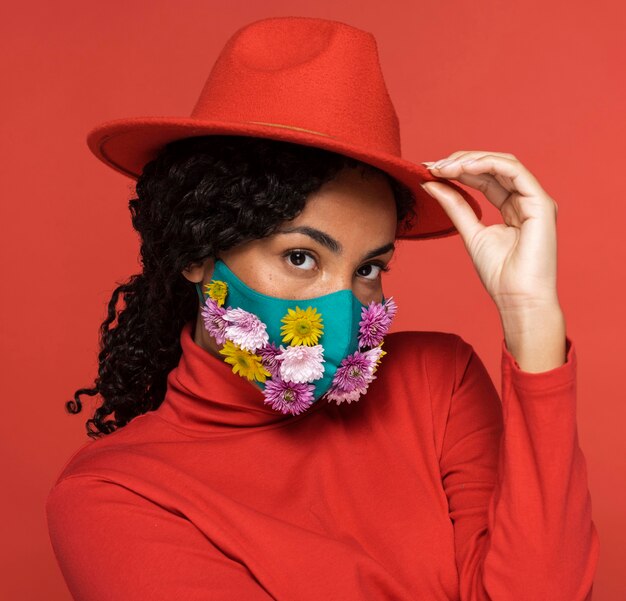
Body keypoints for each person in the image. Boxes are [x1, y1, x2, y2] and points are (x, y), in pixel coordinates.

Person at [45, 15, 599, 600]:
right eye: (302, 257)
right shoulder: (115, 495)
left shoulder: (438, 385)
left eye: (368, 268)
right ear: (198, 250)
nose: (341, 304)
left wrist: (531, 315)